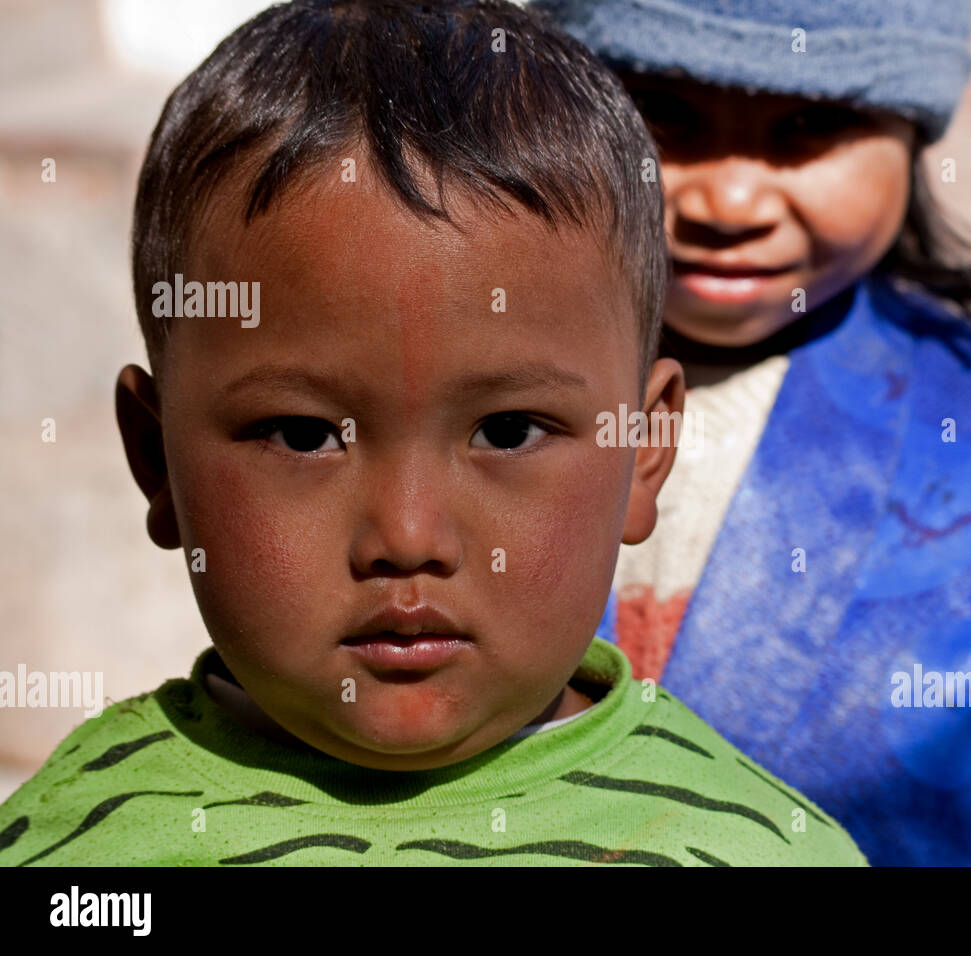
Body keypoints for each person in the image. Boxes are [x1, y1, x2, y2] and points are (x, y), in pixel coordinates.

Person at [0, 0, 865, 868]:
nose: (408, 538)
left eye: (509, 429)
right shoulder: (76, 850)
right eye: (303, 437)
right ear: (155, 460)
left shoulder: (759, 851)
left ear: (643, 447)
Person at [536, 0, 971, 865]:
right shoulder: (399, 382)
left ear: (914, 136)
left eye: (814, 124)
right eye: (662, 113)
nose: (730, 201)